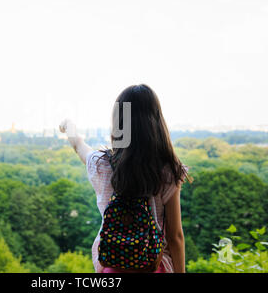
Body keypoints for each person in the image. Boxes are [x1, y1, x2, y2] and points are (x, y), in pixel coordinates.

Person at [59, 84, 192, 273]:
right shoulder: (168, 171)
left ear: (118, 121)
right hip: (154, 265)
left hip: (113, 266)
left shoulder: (102, 164)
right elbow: (175, 236)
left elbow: (79, 145)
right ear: (155, 121)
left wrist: (68, 126)